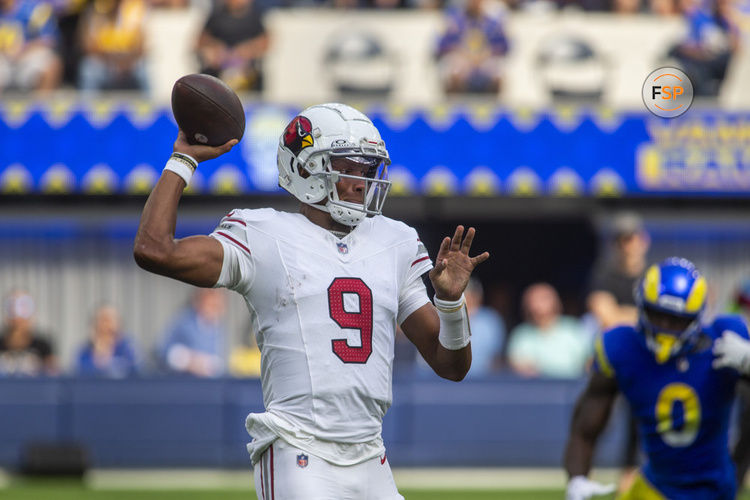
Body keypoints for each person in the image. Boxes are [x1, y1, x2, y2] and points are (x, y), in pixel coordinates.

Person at [133, 102, 489, 499]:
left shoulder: (397, 241)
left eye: (366, 170)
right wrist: (183, 159)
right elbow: (154, 249)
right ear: (304, 168)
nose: (360, 182)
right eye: (347, 168)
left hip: (372, 455)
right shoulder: (264, 233)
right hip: (297, 448)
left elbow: (451, 365)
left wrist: (450, 304)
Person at [564, 257, 750, 500]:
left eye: (676, 320)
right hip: (656, 486)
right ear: (641, 306)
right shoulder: (622, 347)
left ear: (697, 318)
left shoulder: (724, 340)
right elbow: (585, 427)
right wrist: (577, 479)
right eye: (657, 315)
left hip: (713, 490)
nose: (664, 327)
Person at [586, 212, 650, 489]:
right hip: (611, 358)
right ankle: (582, 476)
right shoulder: (604, 275)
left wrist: (624, 314)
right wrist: (642, 316)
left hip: (645, 360)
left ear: (642, 240)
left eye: (631, 238)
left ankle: (629, 479)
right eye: (621, 239)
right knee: (594, 419)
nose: (627, 245)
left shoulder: (653, 277)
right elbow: (606, 317)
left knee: (639, 425)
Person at [507, 282, 589, 378]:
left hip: (574, 387)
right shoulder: (521, 334)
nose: (537, 305)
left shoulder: (573, 328)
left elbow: (589, 362)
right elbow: (520, 367)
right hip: (538, 389)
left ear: (556, 302)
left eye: (543, 299)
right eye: (533, 300)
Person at [435, 0, 509, 94]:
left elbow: (504, 46)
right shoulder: (455, 23)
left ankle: (493, 105)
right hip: (462, 58)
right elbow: (443, 45)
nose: (475, 3)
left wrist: (486, 54)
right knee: (454, 73)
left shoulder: (492, 24)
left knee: (498, 75)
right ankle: (456, 106)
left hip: (485, 59)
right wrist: (461, 53)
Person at [196, 0, 268, 91]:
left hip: (246, 68)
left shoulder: (254, 17)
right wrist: (214, 48)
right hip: (219, 66)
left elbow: (265, 41)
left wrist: (249, 49)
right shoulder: (216, 16)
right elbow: (200, 40)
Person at [77, 0, 148, 92]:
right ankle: (87, 105)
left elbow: (140, 46)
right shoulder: (96, 11)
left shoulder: (135, 10)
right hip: (103, 63)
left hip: (129, 65)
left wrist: (124, 62)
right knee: (89, 68)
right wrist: (113, 60)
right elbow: (88, 45)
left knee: (143, 70)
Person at [159, 288, 228, 377]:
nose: (215, 310)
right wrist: (189, 360)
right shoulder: (184, 322)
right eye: (211, 304)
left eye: (218, 305)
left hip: (206, 385)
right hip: (182, 381)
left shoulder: (219, 329)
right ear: (199, 302)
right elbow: (162, 351)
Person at [0, 0, 62, 93]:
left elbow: (49, 38)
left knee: (52, 64)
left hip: (28, 54)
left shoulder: (35, 9)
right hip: (3, 57)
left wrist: (25, 48)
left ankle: (39, 105)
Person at [0, 289, 57, 376]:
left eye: (23, 307)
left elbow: (54, 375)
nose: (18, 320)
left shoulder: (43, 346)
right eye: (12, 308)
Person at [75, 304, 138, 378]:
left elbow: (136, 372)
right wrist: (99, 355)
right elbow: (81, 373)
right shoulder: (85, 351)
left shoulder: (129, 348)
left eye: (112, 320)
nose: (108, 325)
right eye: (104, 320)